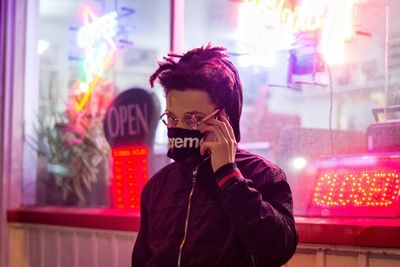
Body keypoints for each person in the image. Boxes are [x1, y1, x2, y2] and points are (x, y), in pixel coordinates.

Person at [132, 44, 298, 267]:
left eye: (192, 118)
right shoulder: (158, 186)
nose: (179, 127)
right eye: (172, 118)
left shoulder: (264, 175)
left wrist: (229, 177)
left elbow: (277, 250)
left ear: (224, 119)